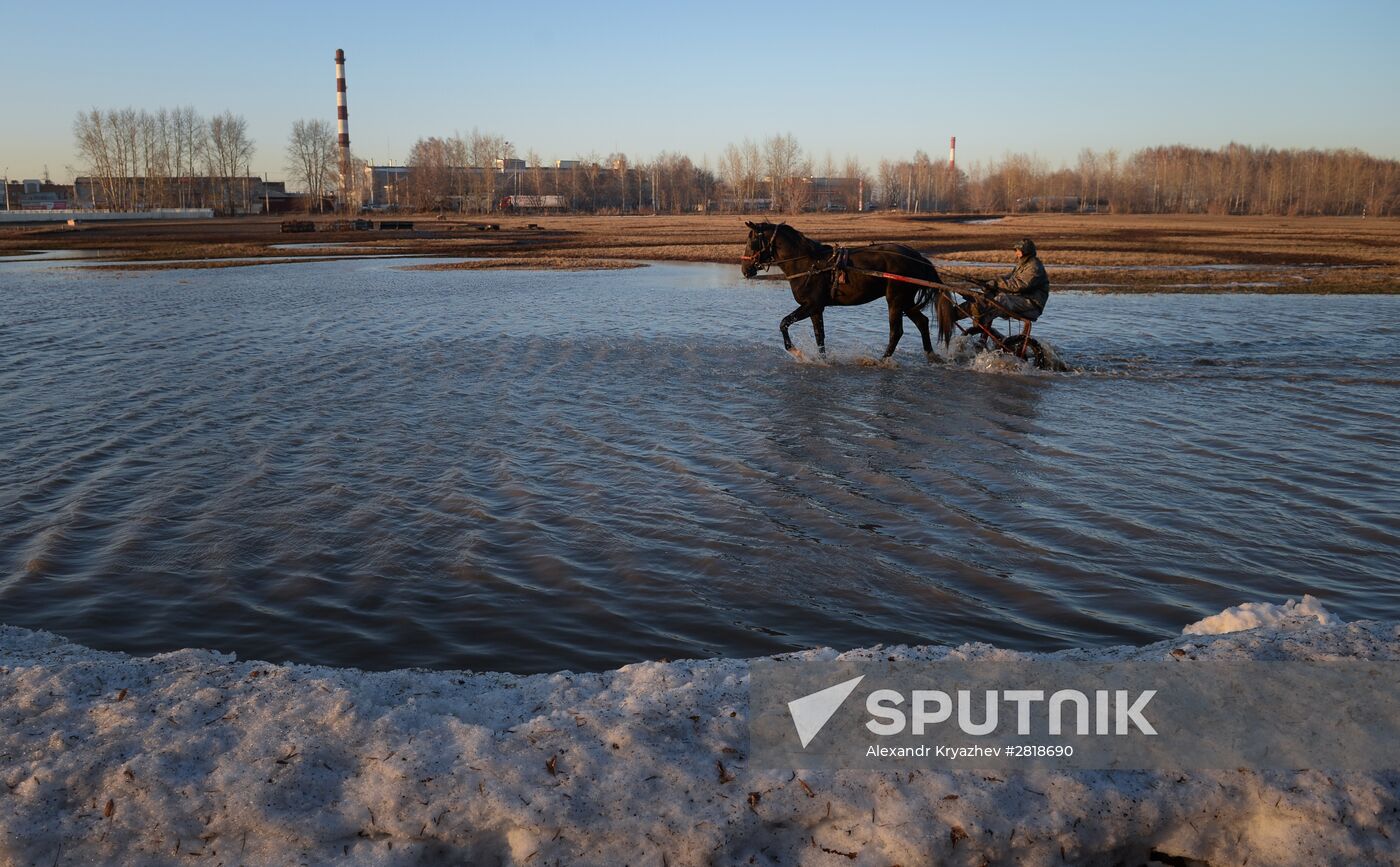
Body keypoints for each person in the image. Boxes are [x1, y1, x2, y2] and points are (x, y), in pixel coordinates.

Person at [974, 238, 1050, 329]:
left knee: (1002, 299)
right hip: (1022, 299)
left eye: (1018, 251)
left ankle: (980, 323)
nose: (1016, 253)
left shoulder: (1034, 267)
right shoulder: (1022, 264)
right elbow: (1009, 278)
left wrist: (997, 284)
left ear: (1026, 251)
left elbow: (1019, 285)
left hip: (1032, 304)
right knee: (989, 296)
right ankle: (981, 327)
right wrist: (990, 283)